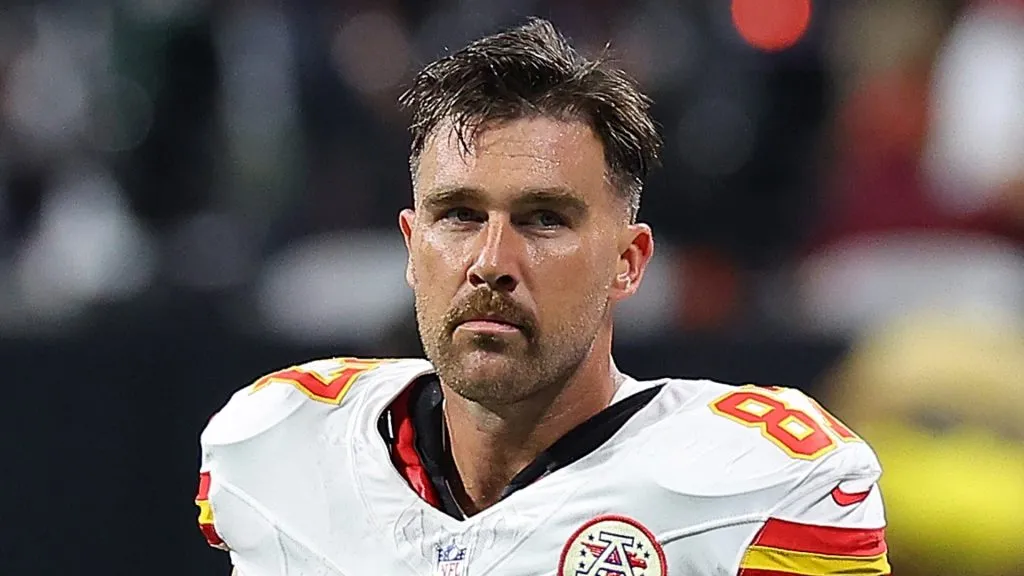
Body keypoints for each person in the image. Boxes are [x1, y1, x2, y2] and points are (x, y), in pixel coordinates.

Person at [195, 18, 890, 576]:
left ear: (627, 262)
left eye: (543, 220)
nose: (490, 262)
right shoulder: (275, 444)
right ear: (411, 246)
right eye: (459, 215)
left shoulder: (755, 486)